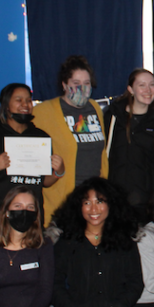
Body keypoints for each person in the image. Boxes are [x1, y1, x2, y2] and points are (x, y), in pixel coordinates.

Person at [51, 177, 144, 307]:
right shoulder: (66, 243)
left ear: (111, 204)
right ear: (79, 207)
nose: (94, 208)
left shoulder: (125, 242)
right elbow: (54, 283)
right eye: (87, 202)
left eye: (100, 201)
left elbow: (136, 283)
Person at [0, 82, 65, 241]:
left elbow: (44, 181)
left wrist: (59, 171)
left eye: (28, 100)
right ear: (6, 105)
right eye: (18, 100)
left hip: (29, 225)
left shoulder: (40, 137)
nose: (25, 105)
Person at [33, 55, 109, 227]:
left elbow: (101, 153)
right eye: (76, 83)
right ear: (64, 85)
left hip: (94, 203)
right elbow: (15, 130)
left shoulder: (95, 108)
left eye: (87, 83)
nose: (82, 88)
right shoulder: (43, 112)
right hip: (63, 203)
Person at [103, 68, 154, 220]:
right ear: (130, 89)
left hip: (147, 203)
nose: (148, 90)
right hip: (115, 201)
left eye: (151, 85)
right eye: (142, 85)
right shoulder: (112, 117)